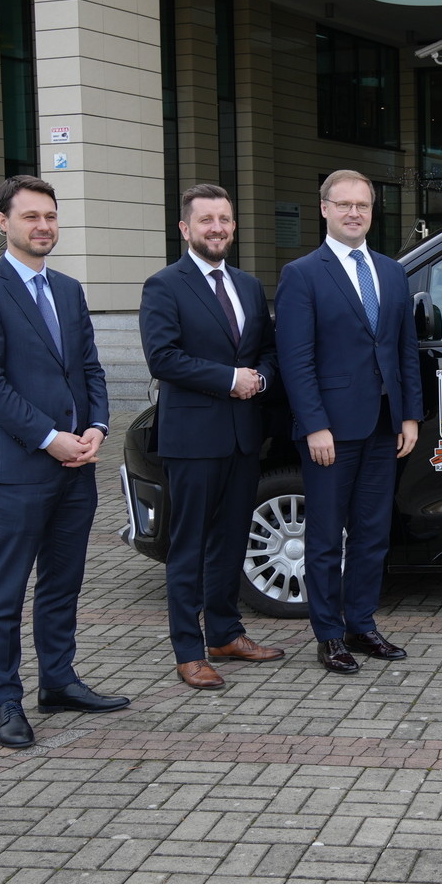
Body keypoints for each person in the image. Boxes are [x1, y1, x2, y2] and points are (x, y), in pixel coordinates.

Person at [0, 175, 130, 748]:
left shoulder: (69, 290)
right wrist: (49, 437)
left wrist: (97, 427)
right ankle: (5, 700)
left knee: (63, 582)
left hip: (77, 466)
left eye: (50, 216)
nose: (43, 226)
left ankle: (58, 681)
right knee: (5, 590)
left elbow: (90, 368)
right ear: (3, 222)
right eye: (31, 216)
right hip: (19, 469)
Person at [276, 170, 423, 674]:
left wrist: (409, 415)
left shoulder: (391, 271)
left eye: (362, 205)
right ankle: (329, 635)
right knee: (324, 539)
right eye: (344, 204)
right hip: (331, 432)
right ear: (324, 209)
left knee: (371, 533)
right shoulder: (302, 274)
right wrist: (314, 424)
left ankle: (361, 624)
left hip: (383, 425)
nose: (354, 213)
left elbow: (404, 350)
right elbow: (296, 359)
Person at [139, 183, 284, 691]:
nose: (217, 228)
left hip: (243, 437)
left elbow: (267, 349)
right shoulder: (164, 285)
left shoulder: (248, 285)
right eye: (206, 220)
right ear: (186, 228)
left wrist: (260, 378)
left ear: (234, 226)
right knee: (189, 547)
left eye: (224, 219)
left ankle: (225, 634)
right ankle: (188, 651)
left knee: (230, 541)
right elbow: (163, 357)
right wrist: (229, 379)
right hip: (193, 439)